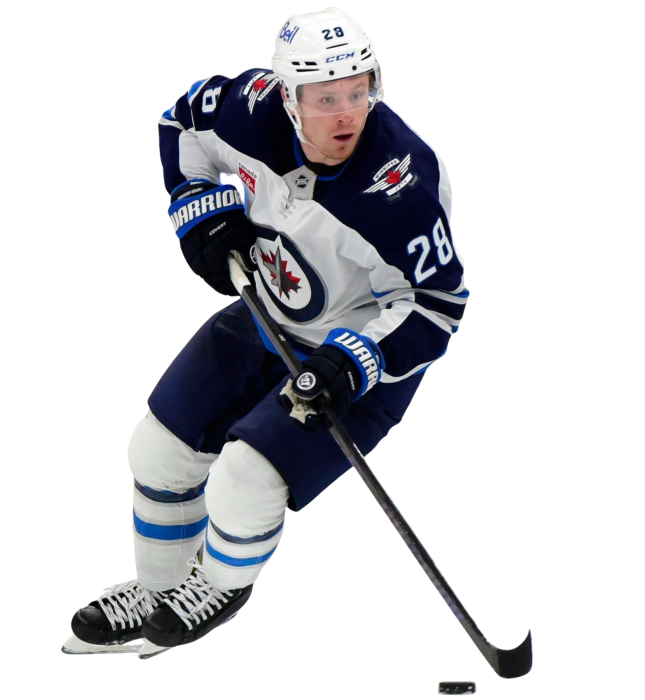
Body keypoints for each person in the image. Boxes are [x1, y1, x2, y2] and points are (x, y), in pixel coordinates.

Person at [62, 6, 468, 659]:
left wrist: (352, 363)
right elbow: (181, 121)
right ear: (288, 96)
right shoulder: (250, 110)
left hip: (356, 358)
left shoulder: (404, 184)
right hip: (266, 313)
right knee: (156, 451)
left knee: (244, 480)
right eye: (326, 98)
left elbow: (437, 305)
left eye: (359, 90)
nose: (347, 114)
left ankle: (219, 588)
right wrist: (198, 208)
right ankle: (159, 588)